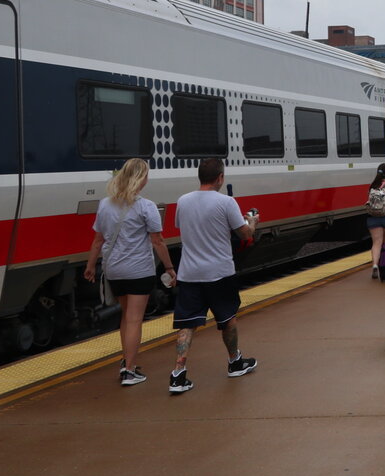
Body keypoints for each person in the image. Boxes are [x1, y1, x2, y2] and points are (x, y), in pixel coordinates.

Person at [84, 158, 175, 386]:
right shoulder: (146, 206)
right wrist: (169, 267)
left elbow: (97, 241)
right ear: (141, 178)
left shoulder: (105, 204)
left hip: (114, 270)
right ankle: (129, 370)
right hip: (138, 270)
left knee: (126, 317)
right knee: (135, 320)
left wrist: (89, 266)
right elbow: (158, 241)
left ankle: (128, 361)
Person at [169, 158, 257, 394]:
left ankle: (178, 374)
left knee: (187, 324)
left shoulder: (183, 201)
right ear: (220, 178)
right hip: (219, 273)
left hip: (189, 273)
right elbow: (244, 234)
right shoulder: (226, 202)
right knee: (228, 318)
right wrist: (253, 222)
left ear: (200, 176)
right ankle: (235, 362)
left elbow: (183, 228)